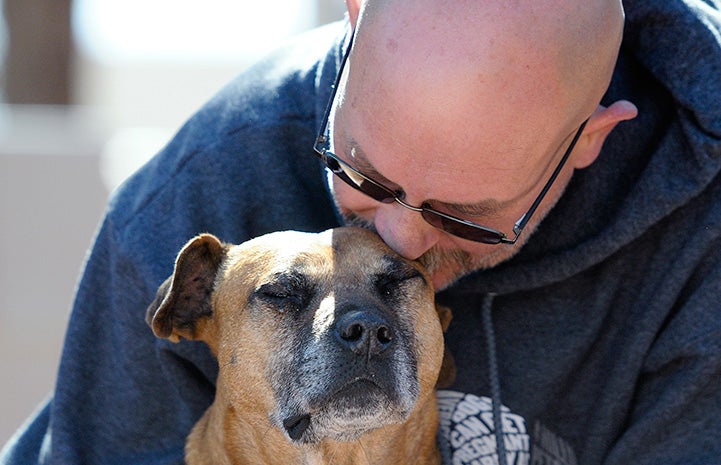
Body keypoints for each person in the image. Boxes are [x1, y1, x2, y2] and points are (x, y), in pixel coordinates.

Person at [2, 0, 720, 463]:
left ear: (589, 139)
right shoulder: (189, 192)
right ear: (353, 18)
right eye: (365, 174)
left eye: (460, 212)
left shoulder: (702, 239)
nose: (400, 243)